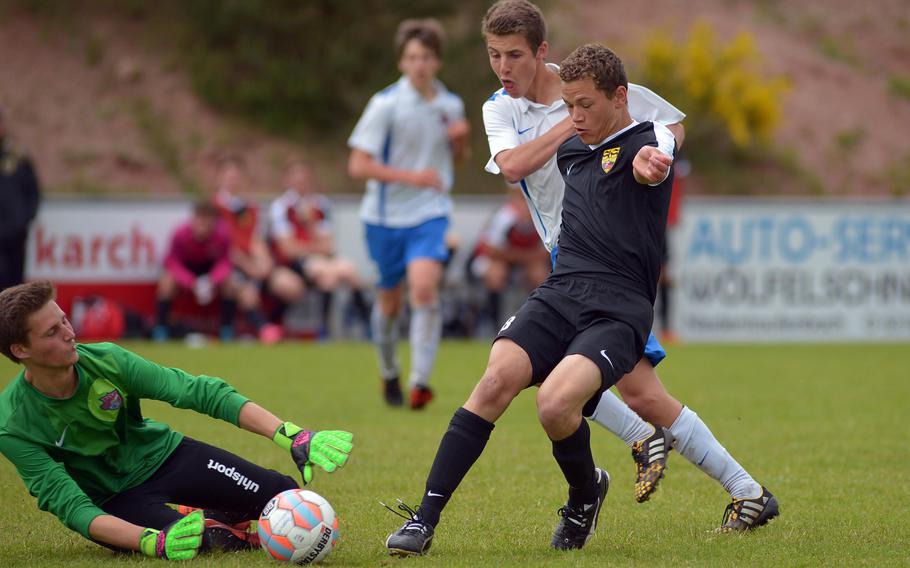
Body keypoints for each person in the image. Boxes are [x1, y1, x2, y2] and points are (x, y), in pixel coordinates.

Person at [383, 2, 777, 556]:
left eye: (514, 55)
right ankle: (425, 519)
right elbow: (513, 165)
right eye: (493, 55)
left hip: (617, 279)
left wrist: (653, 157)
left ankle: (737, 487)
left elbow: (666, 131)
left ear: (541, 52)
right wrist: (573, 119)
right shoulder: (511, 111)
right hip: (565, 271)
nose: (503, 66)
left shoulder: (599, 91)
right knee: (516, 379)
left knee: (622, 395)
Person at [0, 280, 354, 560]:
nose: (69, 332)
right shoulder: (11, 425)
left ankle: (205, 507)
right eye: (51, 331)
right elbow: (73, 509)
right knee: (194, 542)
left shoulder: (107, 360)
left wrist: (290, 434)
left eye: (64, 319)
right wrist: (150, 542)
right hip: (114, 499)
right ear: (21, 350)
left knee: (283, 493)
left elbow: (198, 392)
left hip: (165, 456)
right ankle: (209, 522)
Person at [347, 18, 470, 410]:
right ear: (401, 62)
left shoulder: (450, 105)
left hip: (429, 214)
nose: (419, 64)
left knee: (424, 290)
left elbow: (458, 161)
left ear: (437, 62)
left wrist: (462, 142)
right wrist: (412, 177)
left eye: (427, 57)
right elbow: (358, 166)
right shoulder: (385, 105)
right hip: (384, 218)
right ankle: (389, 372)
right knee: (389, 304)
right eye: (412, 57)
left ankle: (420, 382)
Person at [268, 161, 371, 338]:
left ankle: (366, 322)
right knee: (326, 274)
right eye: (296, 177)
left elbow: (328, 245)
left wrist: (310, 224)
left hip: (320, 259)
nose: (301, 181)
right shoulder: (281, 207)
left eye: (304, 177)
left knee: (350, 270)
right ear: (288, 180)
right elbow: (288, 249)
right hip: (296, 264)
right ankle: (324, 328)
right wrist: (313, 247)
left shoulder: (321, 205)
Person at [212, 157, 283, 343]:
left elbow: (256, 239)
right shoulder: (214, 207)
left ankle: (274, 324)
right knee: (243, 288)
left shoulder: (250, 207)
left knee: (289, 286)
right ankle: (261, 328)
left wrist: (264, 261)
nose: (233, 181)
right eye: (228, 176)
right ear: (219, 178)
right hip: (226, 263)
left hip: (250, 262)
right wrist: (249, 265)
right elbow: (223, 246)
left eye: (236, 177)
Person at [468, 183, 549, 328]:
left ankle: (540, 322)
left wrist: (523, 258)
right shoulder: (504, 216)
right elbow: (491, 250)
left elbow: (545, 252)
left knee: (541, 274)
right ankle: (493, 324)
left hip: (519, 260)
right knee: (496, 273)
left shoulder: (541, 215)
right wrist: (524, 257)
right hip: (495, 260)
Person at [153, 200, 237, 341]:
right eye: (200, 223)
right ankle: (161, 328)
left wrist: (212, 280)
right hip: (188, 272)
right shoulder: (180, 234)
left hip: (210, 273)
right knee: (166, 282)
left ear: (214, 223)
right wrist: (191, 282)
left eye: (207, 224)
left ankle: (226, 329)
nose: (203, 229)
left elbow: (225, 262)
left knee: (230, 282)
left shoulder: (222, 235)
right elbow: (171, 261)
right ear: (193, 220)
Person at [0, 109, 41, 291]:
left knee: (14, 290)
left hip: (15, 238)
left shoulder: (18, 156)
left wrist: (23, 220)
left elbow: (33, 192)